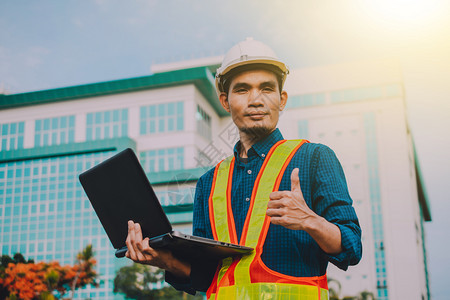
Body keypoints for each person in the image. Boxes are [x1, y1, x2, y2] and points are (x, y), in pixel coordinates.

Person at [125, 38, 362, 299]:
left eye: (267, 89)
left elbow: (351, 247)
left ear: (281, 99)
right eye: (243, 90)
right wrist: (165, 260)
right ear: (225, 102)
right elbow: (206, 277)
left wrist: (310, 220)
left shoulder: (314, 158)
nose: (256, 100)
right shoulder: (209, 182)